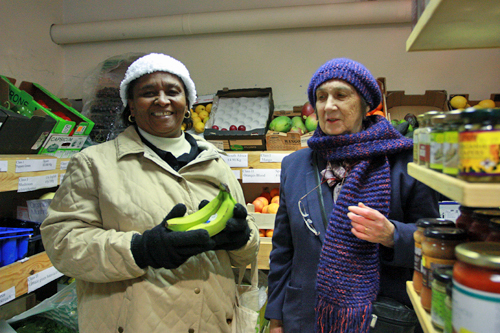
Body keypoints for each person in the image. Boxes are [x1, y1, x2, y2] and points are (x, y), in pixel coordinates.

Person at [41, 53, 260, 333]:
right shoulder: (94, 163)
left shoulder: (216, 162)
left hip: (212, 322)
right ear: (130, 105)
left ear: (187, 103)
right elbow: (62, 244)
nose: (162, 100)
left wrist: (242, 239)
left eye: (172, 91)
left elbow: (247, 252)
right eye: (147, 93)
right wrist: (140, 250)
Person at [264, 58, 440, 333]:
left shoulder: (404, 162)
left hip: (376, 317)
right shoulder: (296, 165)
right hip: (307, 315)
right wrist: (275, 318)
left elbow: (433, 240)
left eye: (341, 95)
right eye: (320, 97)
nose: (328, 105)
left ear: (366, 104)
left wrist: (393, 235)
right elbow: (283, 250)